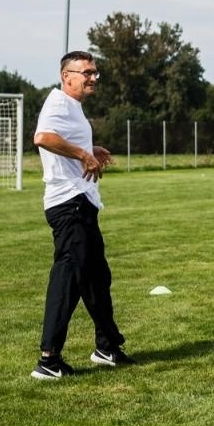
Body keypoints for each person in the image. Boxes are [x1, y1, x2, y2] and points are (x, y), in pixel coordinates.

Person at [31, 50, 131, 380]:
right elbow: (43, 138)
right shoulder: (58, 103)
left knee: (96, 277)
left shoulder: (73, 108)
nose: (92, 78)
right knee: (69, 276)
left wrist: (91, 150)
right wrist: (80, 154)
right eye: (86, 72)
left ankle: (107, 347)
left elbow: (64, 139)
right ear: (67, 76)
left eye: (95, 73)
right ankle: (49, 359)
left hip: (82, 202)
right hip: (68, 205)